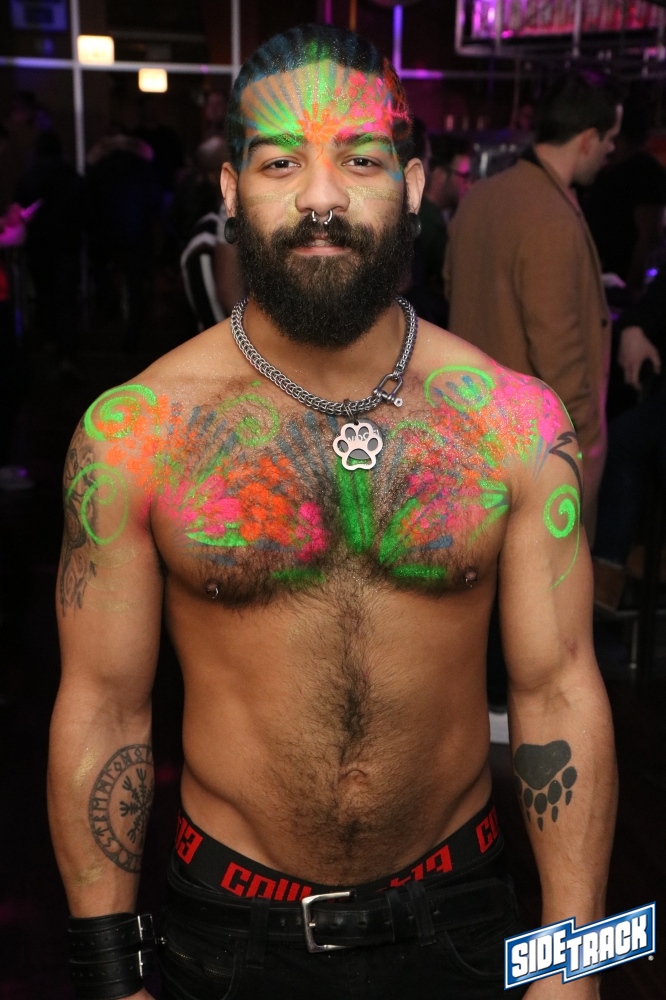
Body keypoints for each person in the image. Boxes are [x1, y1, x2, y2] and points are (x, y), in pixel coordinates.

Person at [49, 26, 616, 1000]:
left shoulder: (512, 423)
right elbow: (104, 709)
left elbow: (560, 690)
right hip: (229, 935)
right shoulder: (137, 435)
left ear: (413, 185)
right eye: (281, 163)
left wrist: (579, 964)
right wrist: (109, 979)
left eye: (360, 159)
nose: (322, 197)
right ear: (231, 190)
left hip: (460, 918)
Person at [445, 69, 624, 542]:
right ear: (587, 139)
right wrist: (587, 439)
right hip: (536, 457)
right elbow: (557, 349)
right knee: (542, 585)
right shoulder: (551, 217)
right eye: (609, 140)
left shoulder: (479, 197)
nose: (610, 151)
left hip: (471, 437)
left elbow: (451, 289)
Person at [582, 92, 666, 301]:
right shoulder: (606, 171)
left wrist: (631, 288)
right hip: (598, 279)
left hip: (619, 284)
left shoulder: (645, 172)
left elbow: (649, 235)